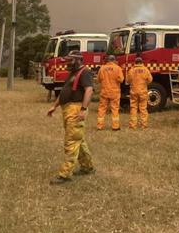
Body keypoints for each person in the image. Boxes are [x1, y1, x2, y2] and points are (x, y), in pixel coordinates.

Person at [47, 51, 94, 184]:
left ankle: (65, 174)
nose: (67, 63)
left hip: (76, 109)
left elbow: (89, 90)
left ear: (78, 60)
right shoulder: (72, 73)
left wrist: (83, 109)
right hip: (68, 109)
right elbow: (64, 92)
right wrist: (54, 106)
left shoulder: (85, 72)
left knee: (71, 141)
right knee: (79, 139)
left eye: (70, 60)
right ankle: (87, 167)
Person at [96, 55, 124, 130]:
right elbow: (121, 80)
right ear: (114, 60)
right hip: (114, 92)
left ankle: (99, 126)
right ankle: (115, 126)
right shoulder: (118, 68)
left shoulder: (102, 68)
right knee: (115, 109)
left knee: (102, 109)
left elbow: (98, 80)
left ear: (107, 60)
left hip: (104, 92)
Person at [126, 56, 152, 130]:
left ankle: (133, 126)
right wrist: (145, 83)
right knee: (143, 109)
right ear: (142, 62)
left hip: (133, 92)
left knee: (133, 108)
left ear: (135, 62)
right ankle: (144, 126)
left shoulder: (131, 70)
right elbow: (150, 80)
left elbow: (128, 80)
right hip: (143, 92)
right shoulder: (145, 70)